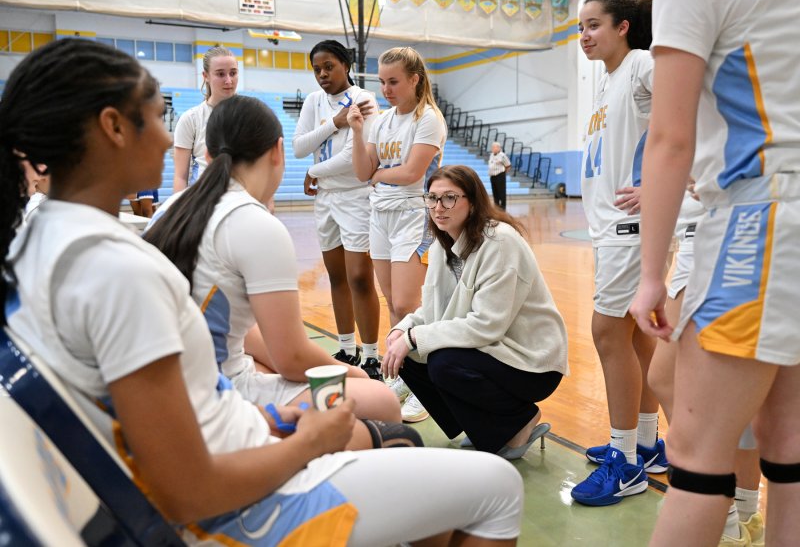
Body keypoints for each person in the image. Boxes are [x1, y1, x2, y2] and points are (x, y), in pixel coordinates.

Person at [1, 37, 525, 547]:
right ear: (112, 127)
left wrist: (272, 418)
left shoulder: (38, 242)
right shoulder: (118, 270)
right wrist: (308, 442)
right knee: (498, 487)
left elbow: (198, 396)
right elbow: (190, 490)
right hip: (236, 505)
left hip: (230, 433)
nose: (168, 139)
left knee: (407, 458)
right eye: (157, 117)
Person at [630, 0, 800, 545]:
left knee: (696, 458)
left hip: (761, 217)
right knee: (789, 446)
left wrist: (651, 274)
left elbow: (670, 139)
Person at [145, 94, 400, 423]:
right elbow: (291, 355)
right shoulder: (255, 224)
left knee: (268, 366)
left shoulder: (169, 209)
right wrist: (354, 374)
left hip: (168, 383)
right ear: (278, 151)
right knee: (381, 400)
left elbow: (245, 337)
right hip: (213, 394)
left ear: (207, 154)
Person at [383, 165, 568, 459]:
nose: (438, 207)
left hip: (531, 362)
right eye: (432, 198)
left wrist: (414, 336)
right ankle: (483, 427)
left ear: (473, 201)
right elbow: (431, 312)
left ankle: (521, 421)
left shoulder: (500, 241)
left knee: (443, 361)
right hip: (494, 351)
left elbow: (487, 325)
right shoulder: (445, 243)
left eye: (449, 198)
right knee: (406, 355)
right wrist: (401, 331)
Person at [571, 0, 668, 507]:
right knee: (634, 337)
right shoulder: (609, 79)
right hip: (610, 228)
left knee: (607, 332)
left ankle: (624, 459)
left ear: (623, 26)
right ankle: (648, 444)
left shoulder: (643, 64)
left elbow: (694, 107)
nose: (583, 35)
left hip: (630, 227)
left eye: (593, 25)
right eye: (580, 27)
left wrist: (659, 181)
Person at [648, 189, 764, 546]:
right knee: (739, 395)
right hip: (706, 235)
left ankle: (726, 515)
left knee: (672, 380)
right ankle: (743, 511)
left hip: (732, 230)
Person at [349, 46, 447, 423]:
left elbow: (411, 174)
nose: (386, 89)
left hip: (414, 213)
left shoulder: (429, 119)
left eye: (393, 82)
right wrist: (358, 133)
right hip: (380, 215)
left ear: (414, 80)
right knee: (392, 303)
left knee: (410, 304)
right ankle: (408, 377)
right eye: (382, 82)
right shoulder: (382, 121)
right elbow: (362, 171)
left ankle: (429, 386)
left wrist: (378, 175)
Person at [292, 40, 382, 380]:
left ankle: (372, 355)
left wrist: (314, 171)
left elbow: (351, 160)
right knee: (336, 276)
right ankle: (347, 348)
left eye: (329, 66)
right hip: (325, 199)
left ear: (345, 64)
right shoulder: (314, 101)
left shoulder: (364, 100)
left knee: (360, 276)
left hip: (356, 196)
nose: (322, 74)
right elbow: (301, 146)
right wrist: (335, 122)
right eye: (316, 69)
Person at [173, 46, 238, 192]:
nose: (229, 80)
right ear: (206, 76)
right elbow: (180, 177)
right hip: (204, 200)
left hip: (241, 200)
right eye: (220, 74)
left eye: (233, 73)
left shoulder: (250, 115)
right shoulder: (191, 119)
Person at [488, 142, 511, 210]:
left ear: (498, 148)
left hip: (500, 175)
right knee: (495, 192)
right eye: (492, 147)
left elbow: (508, 165)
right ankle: (496, 207)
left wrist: (503, 173)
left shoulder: (502, 155)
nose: (493, 148)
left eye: (494, 147)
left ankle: (503, 208)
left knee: (501, 192)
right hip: (492, 176)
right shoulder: (491, 155)